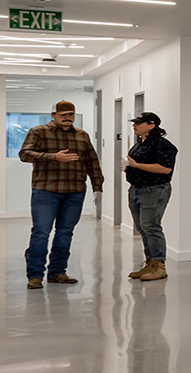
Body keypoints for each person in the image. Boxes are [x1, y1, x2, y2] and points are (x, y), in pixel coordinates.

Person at [18, 100, 104, 290]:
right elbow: (24, 154)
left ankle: (57, 272)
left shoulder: (82, 136)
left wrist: (97, 185)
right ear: (54, 115)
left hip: (74, 192)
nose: (68, 118)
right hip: (46, 191)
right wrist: (53, 157)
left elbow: (92, 162)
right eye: (63, 114)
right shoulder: (39, 131)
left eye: (71, 114)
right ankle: (35, 275)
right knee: (41, 232)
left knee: (65, 233)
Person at [122, 112, 177, 282]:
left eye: (139, 123)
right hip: (136, 189)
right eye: (134, 123)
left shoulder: (163, 145)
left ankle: (159, 265)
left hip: (153, 190)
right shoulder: (140, 143)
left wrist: (136, 165)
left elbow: (165, 169)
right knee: (143, 227)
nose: (134, 125)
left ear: (151, 125)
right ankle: (150, 262)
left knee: (151, 226)